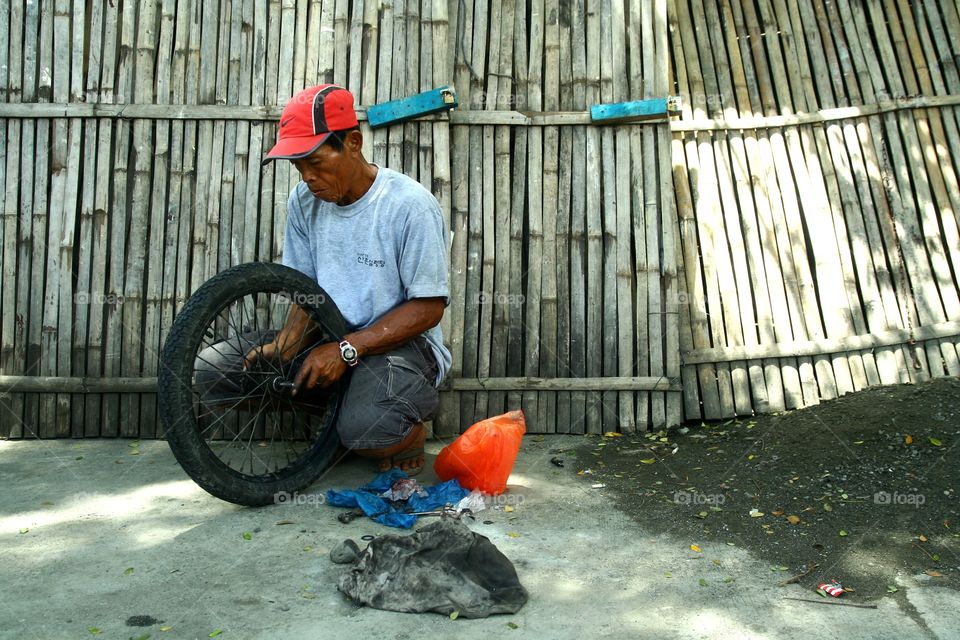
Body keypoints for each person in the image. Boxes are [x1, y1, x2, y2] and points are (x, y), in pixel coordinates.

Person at [205, 84, 451, 476]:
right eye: (298, 167)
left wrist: (348, 349)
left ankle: (403, 435)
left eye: (315, 162)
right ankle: (344, 413)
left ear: (353, 143)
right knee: (213, 371)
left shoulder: (409, 205)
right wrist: (287, 344)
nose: (307, 178)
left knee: (367, 431)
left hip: (401, 346)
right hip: (329, 339)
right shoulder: (304, 203)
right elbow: (307, 289)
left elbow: (428, 308)